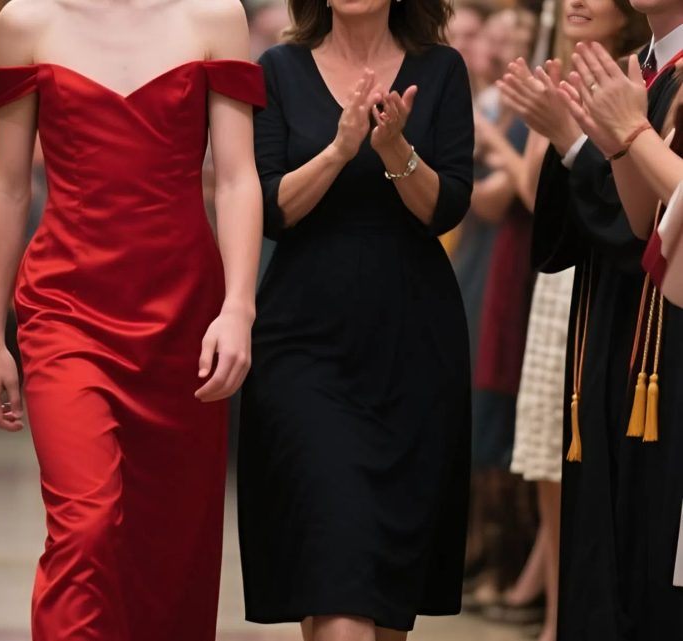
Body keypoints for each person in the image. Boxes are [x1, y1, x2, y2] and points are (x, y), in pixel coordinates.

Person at [0, 0, 263, 637]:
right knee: (85, 521)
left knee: (171, 540)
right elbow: (8, 184)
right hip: (65, 306)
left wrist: (238, 307)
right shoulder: (27, 20)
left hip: (183, 311)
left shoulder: (215, 15)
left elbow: (236, 178)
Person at [238, 0, 475, 638]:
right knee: (336, 576)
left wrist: (395, 149)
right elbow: (271, 209)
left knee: (387, 602)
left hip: (412, 346)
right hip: (303, 348)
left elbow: (446, 207)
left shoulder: (442, 69)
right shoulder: (279, 69)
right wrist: (340, 150)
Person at [491, 2, 650, 638]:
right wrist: (556, 131)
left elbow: (639, 219)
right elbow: (554, 210)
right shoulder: (585, 73)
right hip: (576, 286)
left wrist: (561, 138)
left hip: (631, 294)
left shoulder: (639, 78)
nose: (577, 3)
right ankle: (561, 613)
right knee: (555, 458)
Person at [523, 0, 683, 630]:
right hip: (608, 330)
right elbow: (605, 229)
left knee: (648, 545)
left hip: (665, 340)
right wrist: (573, 139)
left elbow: (642, 231)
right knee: (604, 531)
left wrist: (582, 143)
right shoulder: (634, 69)